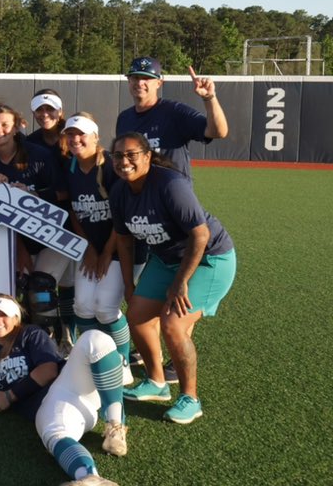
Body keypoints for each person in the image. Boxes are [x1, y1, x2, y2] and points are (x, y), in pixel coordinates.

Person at [110, 132, 236, 424]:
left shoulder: (170, 183)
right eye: (118, 156)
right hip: (167, 259)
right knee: (138, 315)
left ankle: (190, 399)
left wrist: (180, 283)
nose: (124, 161)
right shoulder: (119, 191)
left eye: (132, 155)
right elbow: (124, 241)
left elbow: (201, 235)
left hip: (208, 258)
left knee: (172, 323)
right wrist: (129, 285)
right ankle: (156, 382)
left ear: (147, 156)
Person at [0, 294, 128, 486]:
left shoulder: (30, 333)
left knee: (95, 338)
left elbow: (48, 370)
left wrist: (9, 396)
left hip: (67, 385)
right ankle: (91, 479)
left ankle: (115, 427)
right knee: (56, 434)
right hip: (55, 410)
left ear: (16, 318)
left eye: (3, 315)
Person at [0, 105, 73, 349]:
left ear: (16, 127)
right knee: (12, 287)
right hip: (14, 240)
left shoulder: (38, 155)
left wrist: (33, 194)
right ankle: (16, 343)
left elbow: (63, 194)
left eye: (5, 124)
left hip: (52, 236)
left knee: (40, 287)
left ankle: (50, 342)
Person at [62, 114, 130, 366]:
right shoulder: (69, 166)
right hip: (88, 247)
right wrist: (89, 248)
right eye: (70, 134)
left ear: (95, 137)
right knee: (82, 306)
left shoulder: (110, 166)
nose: (75, 139)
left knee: (105, 308)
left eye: (81, 134)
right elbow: (73, 210)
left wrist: (104, 253)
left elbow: (120, 216)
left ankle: (122, 358)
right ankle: (93, 356)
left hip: (116, 247)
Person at [115, 57, 228, 180]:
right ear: (129, 81)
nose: (140, 83)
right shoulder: (124, 118)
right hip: (139, 195)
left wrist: (209, 97)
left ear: (159, 83)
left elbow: (218, 132)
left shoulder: (175, 112)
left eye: (146, 78)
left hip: (171, 193)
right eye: (135, 77)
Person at [28, 89, 67, 163]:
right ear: (33, 113)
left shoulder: (73, 138)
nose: (45, 114)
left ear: (60, 111)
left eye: (50, 109)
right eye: (39, 109)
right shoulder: (31, 141)